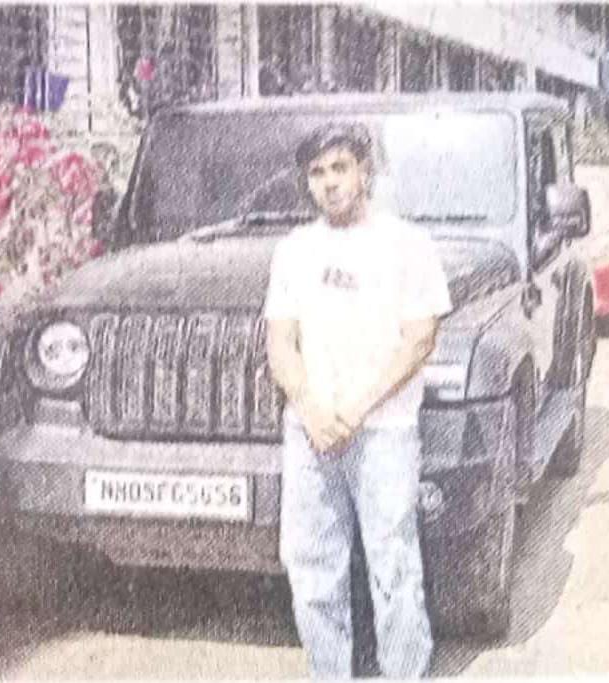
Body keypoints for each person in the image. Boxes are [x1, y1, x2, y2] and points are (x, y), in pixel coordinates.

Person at [264, 122, 452, 679]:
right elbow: (280, 343)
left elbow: (419, 339)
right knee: (311, 570)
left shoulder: (407, 244)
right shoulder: (294, 251)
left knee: (393, 567)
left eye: (340, 168)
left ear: (364, 171)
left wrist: (355, 410)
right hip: (311, 434)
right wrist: (311, 408)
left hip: (383, 433)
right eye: (317, 173)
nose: (329, 183)